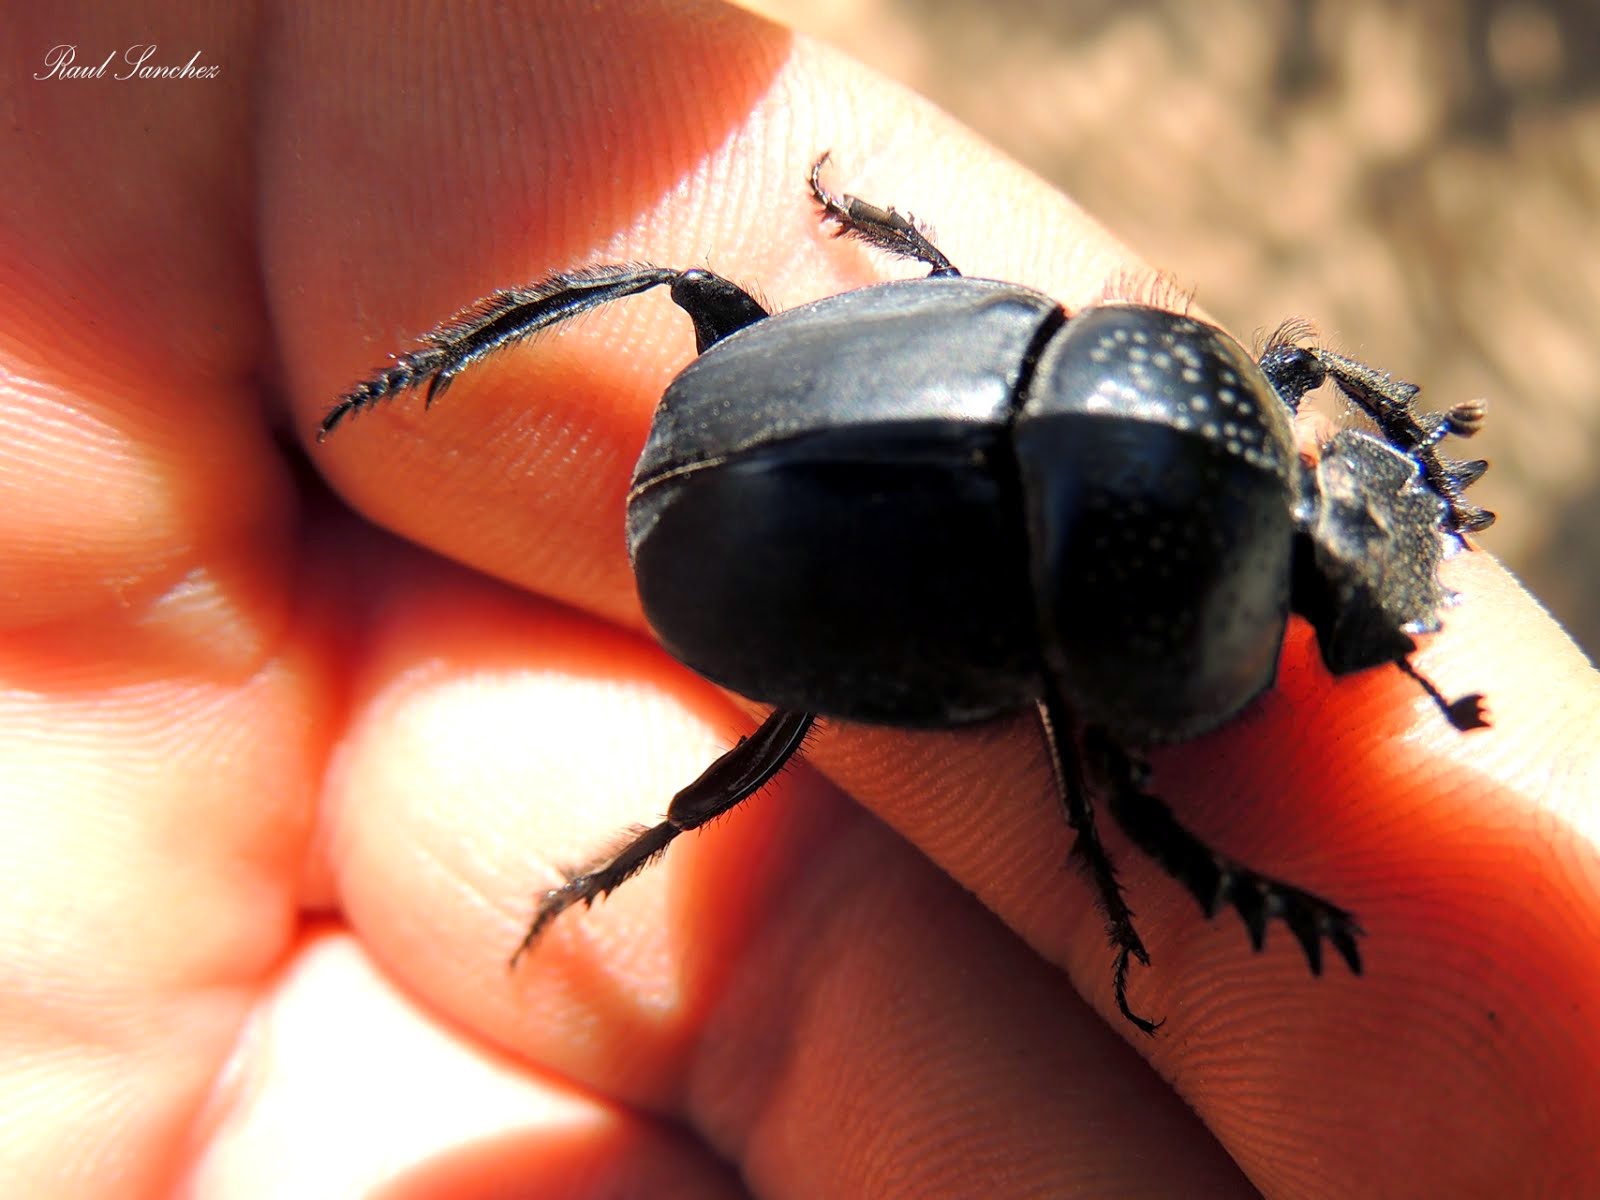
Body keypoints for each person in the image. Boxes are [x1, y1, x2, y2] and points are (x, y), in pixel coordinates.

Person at [6, 4, 1597, 1195]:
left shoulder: (1097, 370)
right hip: (737, 511)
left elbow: (1212, 367)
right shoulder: (1092, 605)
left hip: (785, 501)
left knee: (713, 326)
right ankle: (443, 401)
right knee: (706, 343)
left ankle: (447, 416)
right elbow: (1110, 774)